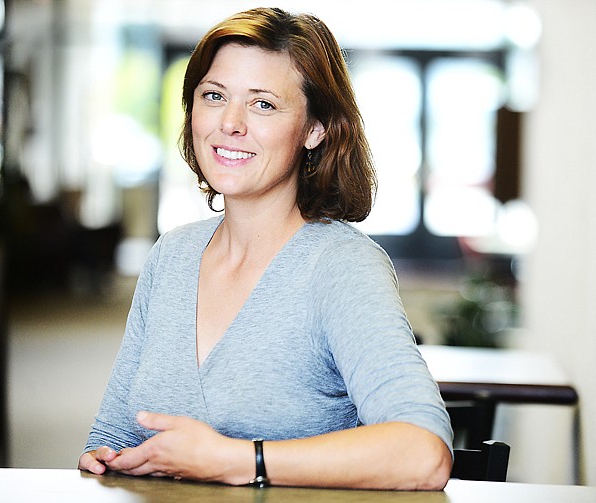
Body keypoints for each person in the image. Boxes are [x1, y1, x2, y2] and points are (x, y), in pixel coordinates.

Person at [79, 7, 453, 490]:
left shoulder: (340, 266)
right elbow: (113, 433)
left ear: (315, 130)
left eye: (263, 105)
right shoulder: (172, 255)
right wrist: (103, 458)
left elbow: (423, 454)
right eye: (214, 96)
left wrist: (239, 460)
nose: (230, 123)